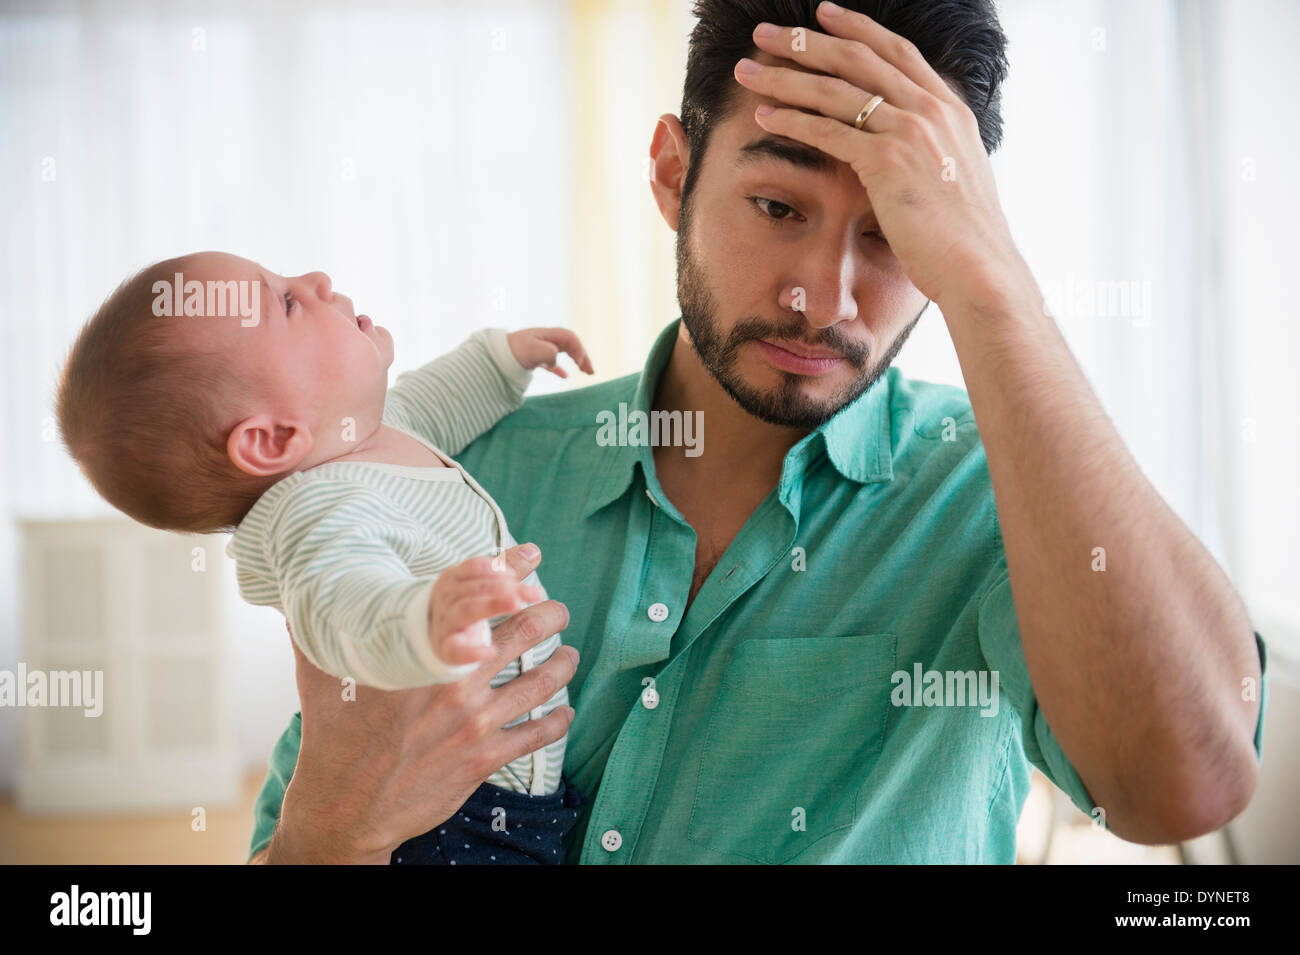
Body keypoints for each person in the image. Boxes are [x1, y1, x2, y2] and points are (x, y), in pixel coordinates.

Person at [249, 0, 1269, 864]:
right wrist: (329, 828)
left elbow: (1188, 786)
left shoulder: (1001, 500)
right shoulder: (453, 477)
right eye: (777, 205)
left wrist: (995, 291)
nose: (820, 298)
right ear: (670, 173)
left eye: (893, 232)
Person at [55, 249, 595, 864]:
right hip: (447, 821)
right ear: (273, 438)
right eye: (286, 302)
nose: (316, 281)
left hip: (497, 791)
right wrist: (421, 624)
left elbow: (433, 402)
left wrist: (498, 361)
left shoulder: (365, 440)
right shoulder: (318, 512)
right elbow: (343, 606)